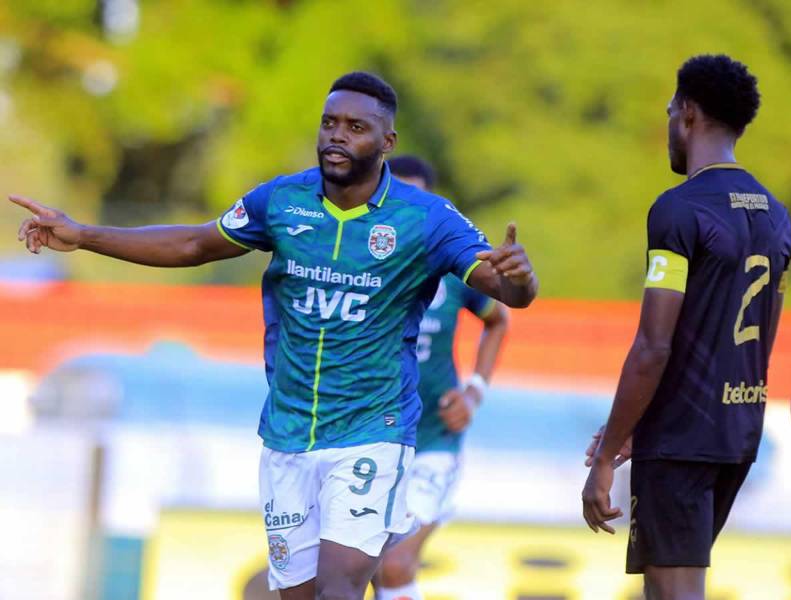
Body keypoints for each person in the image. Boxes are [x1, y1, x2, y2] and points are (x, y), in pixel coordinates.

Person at [11, 72, 538, 600]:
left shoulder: (426, 218)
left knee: (342, 587)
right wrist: (84, 236)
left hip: (373, 430)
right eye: (329, 122)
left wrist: (521, 279)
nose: (337, 135)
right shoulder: (282, 201)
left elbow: (505, 294)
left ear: (387, 143)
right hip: (287, 432)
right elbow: (195, 245)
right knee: (297, 595)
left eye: (356, 127)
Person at [581, 54, 791, 600]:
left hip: (681, 438)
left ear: (689, 113)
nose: (670, 124)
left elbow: (653, 345)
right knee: (665, 588)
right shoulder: (775, 214)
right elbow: (764, 328)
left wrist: (607, 454)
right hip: (737, 431)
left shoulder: (678, 211)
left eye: (671, 109)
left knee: (676, 593)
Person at [372, 156, 509, 600]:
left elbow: (498, 320)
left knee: (394, 564)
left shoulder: (453, 268)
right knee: (359, 566)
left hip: (433, 439)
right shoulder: (362, 262)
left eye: (418, 198)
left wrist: (474, 392)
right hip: (368, 436)